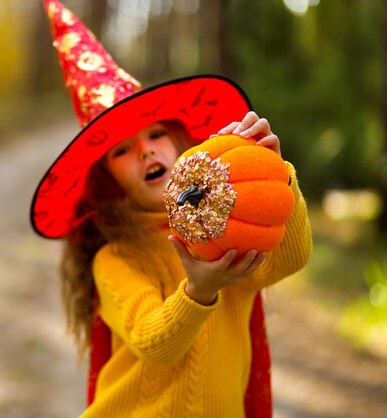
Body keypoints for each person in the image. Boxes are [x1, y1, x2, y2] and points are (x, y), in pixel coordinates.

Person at [30, 1, 312, 417]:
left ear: (183, 143)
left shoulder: (227, 230)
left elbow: (289, 259)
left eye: (156, 134)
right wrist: (198, 290)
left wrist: (276, 177)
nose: (145, 151)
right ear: (109, 182)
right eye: (122, 150)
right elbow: (153, 342)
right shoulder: (117, 258)